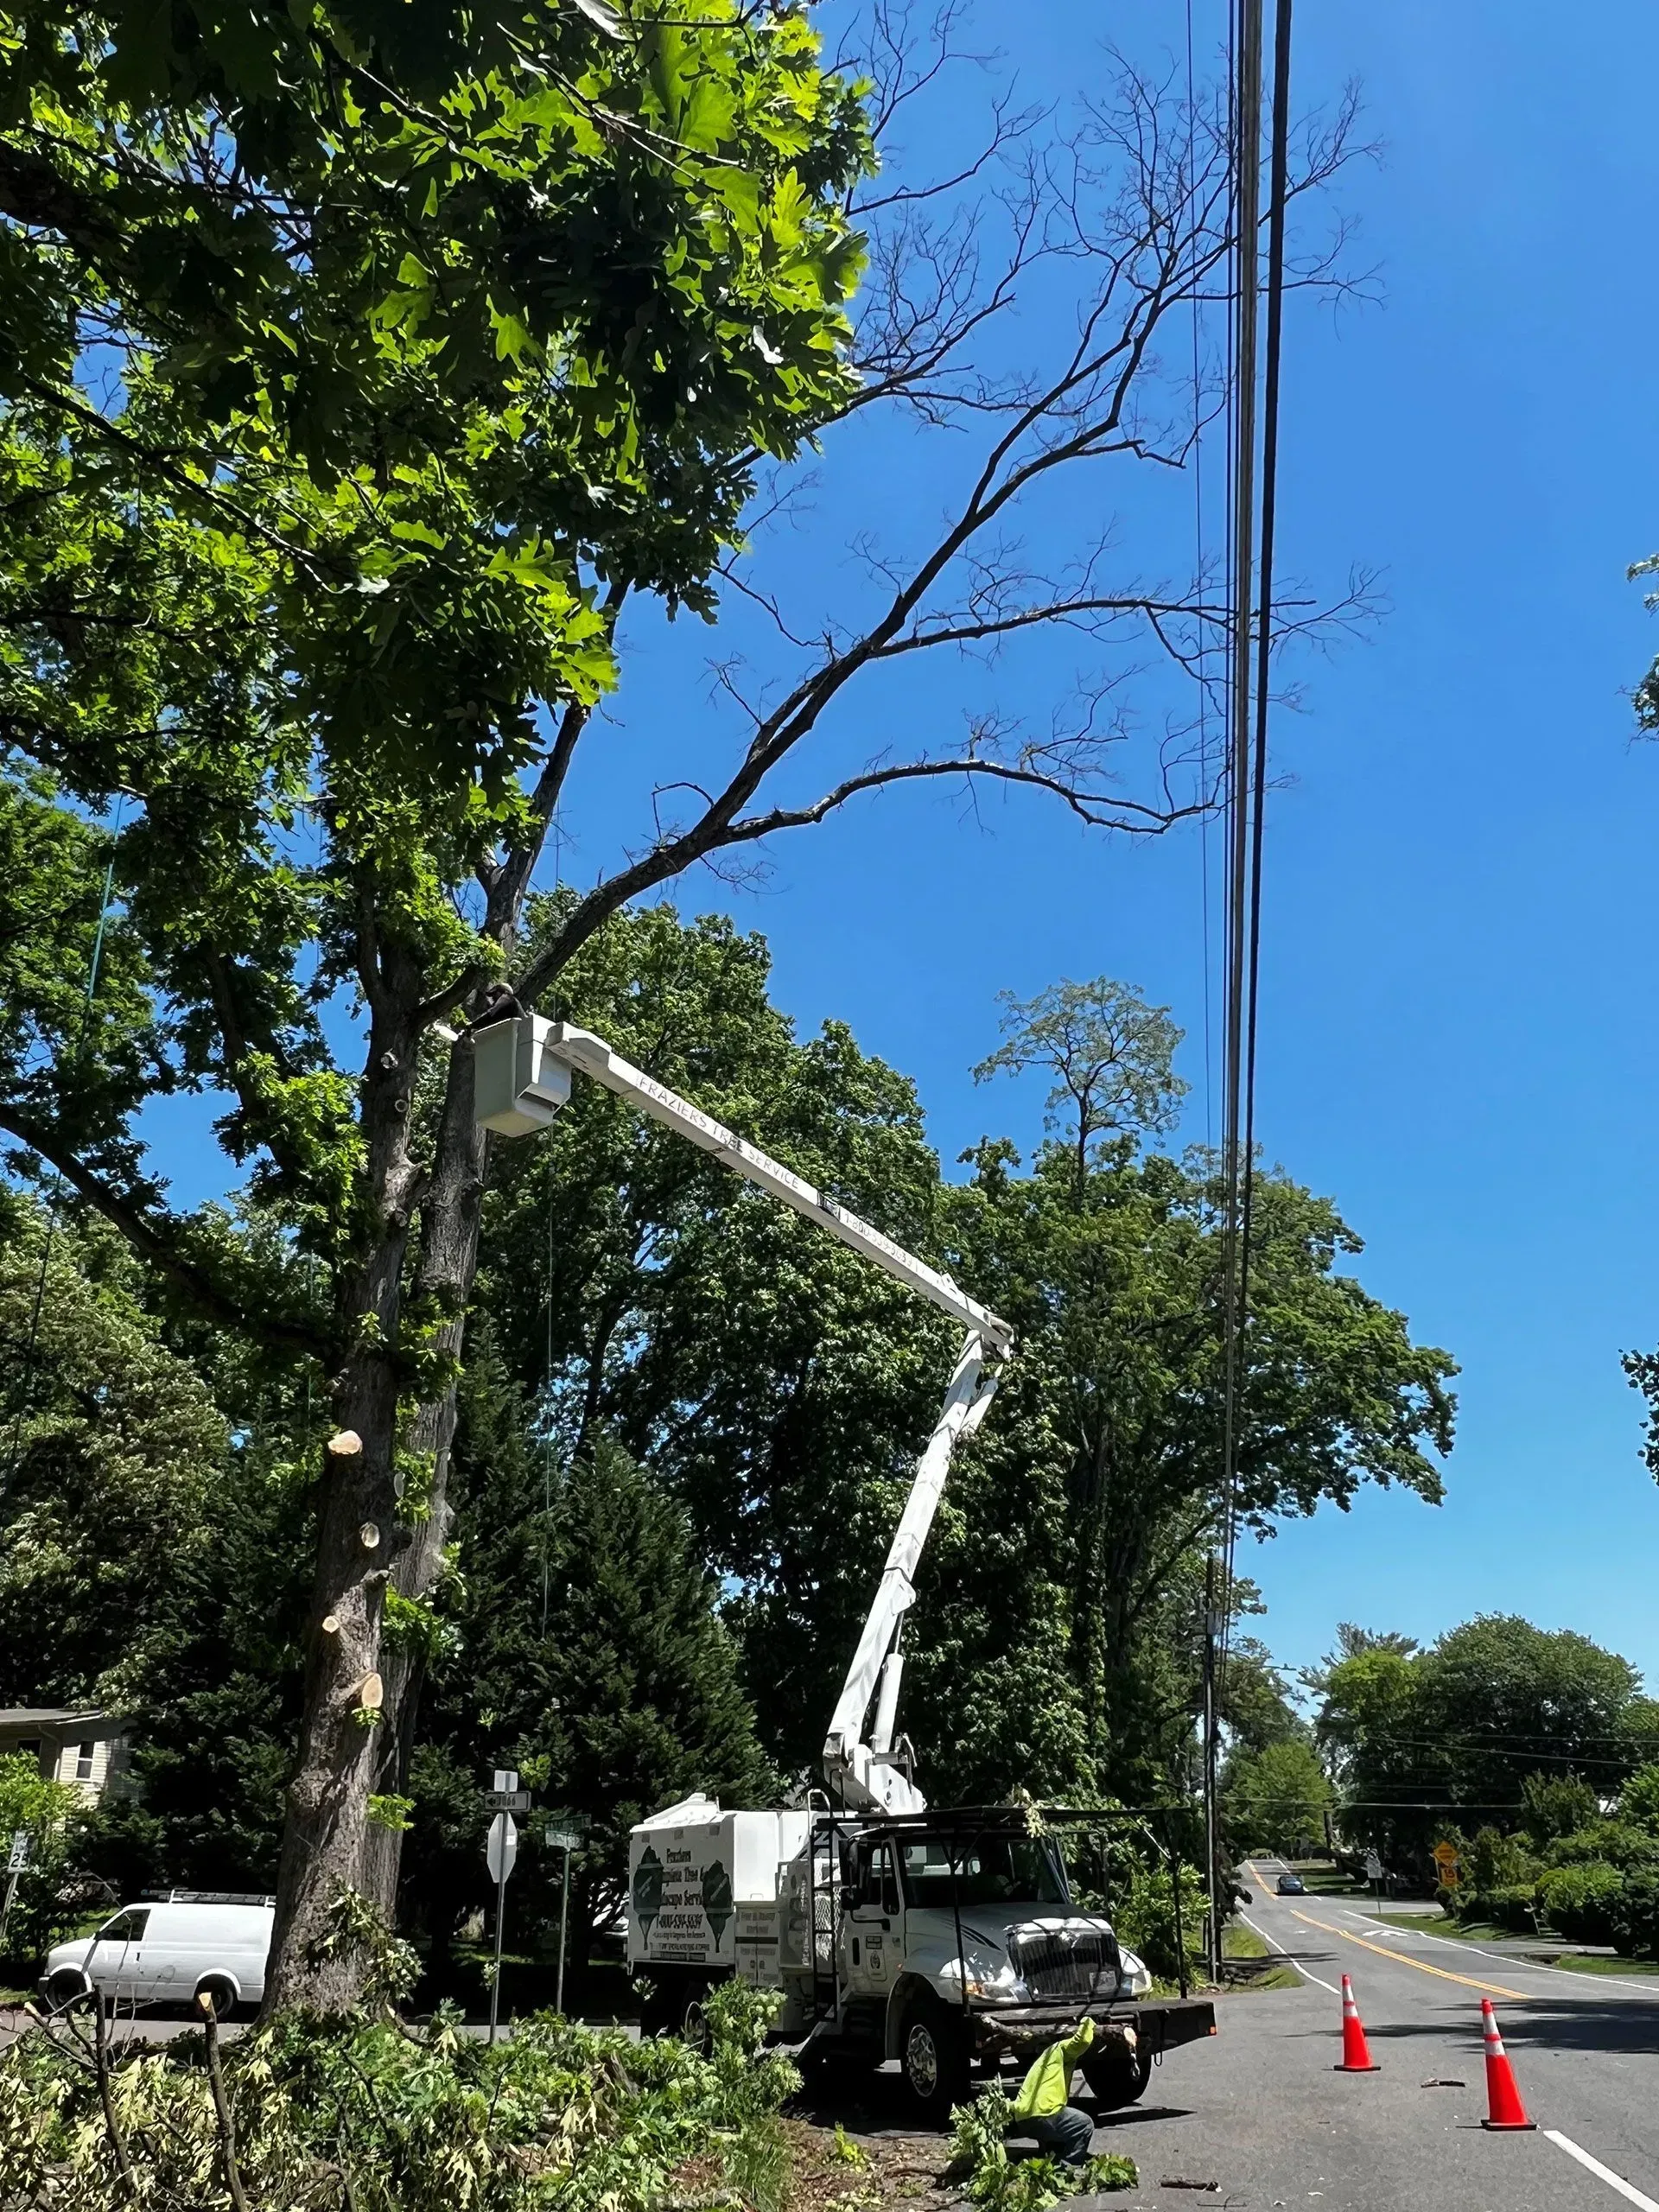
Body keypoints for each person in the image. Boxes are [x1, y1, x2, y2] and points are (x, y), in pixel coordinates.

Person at [1010, 2016, 1097, 2166]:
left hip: (1023, 2119)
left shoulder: (1043, 2061)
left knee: (1053, 2127)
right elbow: (1082, 2041)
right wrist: (1089, 2021)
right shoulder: (1060, 2049)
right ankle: (1070, 2168)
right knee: (1085, 2124)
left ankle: (1048, 2157)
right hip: (1045, 2113)